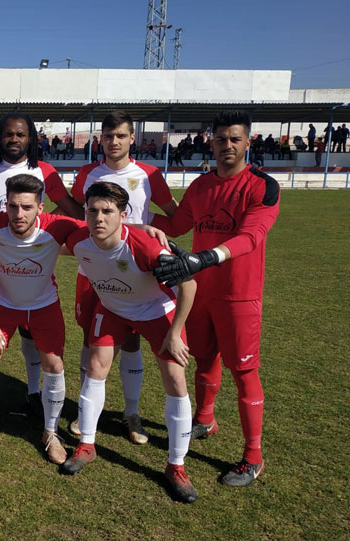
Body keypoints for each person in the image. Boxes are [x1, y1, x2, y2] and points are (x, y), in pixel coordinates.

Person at [152, 110, 280, 487]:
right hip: (200, 290)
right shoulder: (201, 186)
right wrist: (127, 215)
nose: (227, 145)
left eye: (235, 139)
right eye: (221, 139)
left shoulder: (262, 186)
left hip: (238, 296)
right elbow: (177, 226)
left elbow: (251, 236)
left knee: (243, 372)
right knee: (204, 358)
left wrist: (206, 257)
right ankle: (205, 419)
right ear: (211, 141)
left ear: (248, 142)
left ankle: (253, 457)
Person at [61, 181, 198, 504]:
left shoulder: (147, 246)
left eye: (108, 211)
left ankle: (176, 466)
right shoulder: (79, 241)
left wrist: (175, 333)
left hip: (157, 311)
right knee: (96, 367)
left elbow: (188, 286)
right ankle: (87, 446)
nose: (99, 218)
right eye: (92, 210)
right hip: (112, 309)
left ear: (123, 214)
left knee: (176, 380)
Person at [0, 174, 84, 464]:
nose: (18, 214)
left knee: (54, 364)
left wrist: (144, 229)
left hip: (44, 306)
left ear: (41, 207)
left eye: (26, 207)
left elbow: (104, 230)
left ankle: (50, 432)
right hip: (3, 304)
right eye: (13, 206)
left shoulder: (57, 226)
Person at [0, 112, 84, 419]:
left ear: (30, 138)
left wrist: (44, 235)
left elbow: (70, 208)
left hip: (31, 264)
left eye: (20, 135)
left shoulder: (45, 170)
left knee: (33, 337)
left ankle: (33, 391)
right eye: (8, 134)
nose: (14, 140)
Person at [68, 111, 178, 444]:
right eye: (107, 135)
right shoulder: (87, 173)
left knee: (131, 341)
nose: (113, 142)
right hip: (92, 271)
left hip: (136, 273)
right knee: (92, 339)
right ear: (100, 139)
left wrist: (153, 233)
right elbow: (75, 212)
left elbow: (175, 215)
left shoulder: (149, 174)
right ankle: (86, 414)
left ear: (132, 138)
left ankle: (132, 414)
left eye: (120, 136)